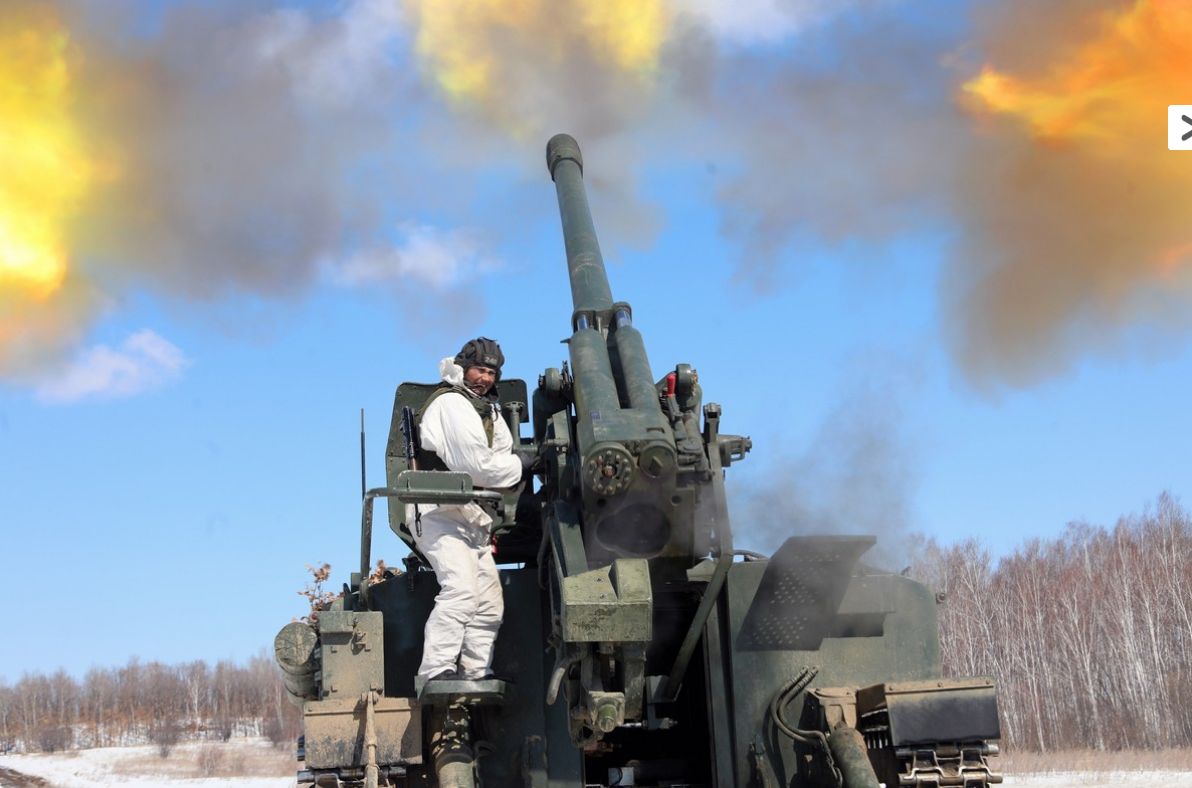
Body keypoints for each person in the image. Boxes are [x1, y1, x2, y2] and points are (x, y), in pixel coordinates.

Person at [409, 337, 531, 690]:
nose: (485, 378)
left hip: (468, 516)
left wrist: (515, 466)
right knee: (461, 590)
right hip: (436, 511)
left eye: (492, 372)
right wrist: (519, 467)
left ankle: (476, 673)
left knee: (489, 602)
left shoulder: (488, 411)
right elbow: (477, 467)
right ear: (463, 367)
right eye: (479, 369)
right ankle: (435, 670)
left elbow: (501, 456)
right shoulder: (451, 404)